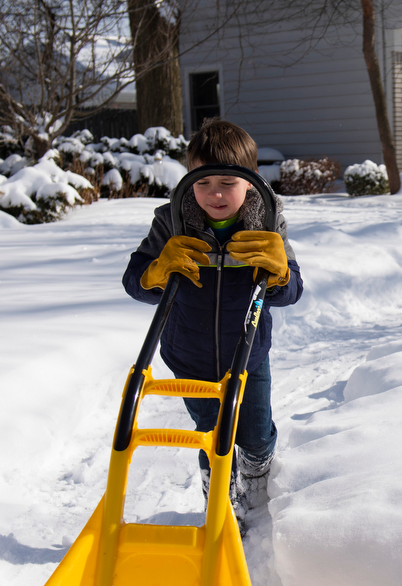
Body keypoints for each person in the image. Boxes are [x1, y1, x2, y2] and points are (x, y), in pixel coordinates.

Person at [122, 119, 303, 522]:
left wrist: (280, 273)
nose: (214, 194)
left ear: (251, 181)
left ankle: (256, 474)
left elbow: (291, 293)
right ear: (189, 180)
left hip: (248, 353)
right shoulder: (172, 221)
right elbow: (135, 281)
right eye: (202, 183)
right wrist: (156, 270)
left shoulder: (267, 221)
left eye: (227, 182)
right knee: (210, 437)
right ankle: (219, 500)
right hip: (190, 353)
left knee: (254, 434)